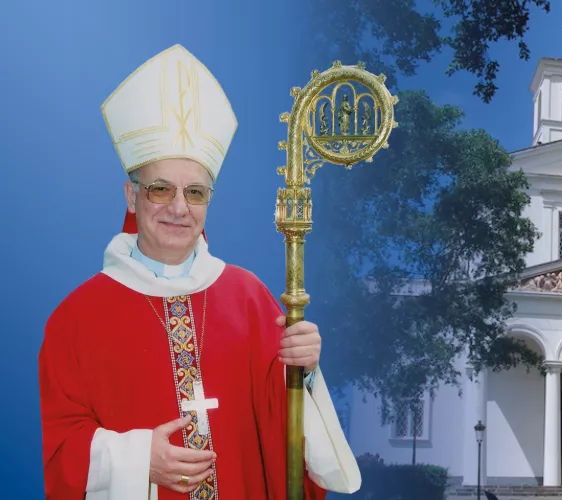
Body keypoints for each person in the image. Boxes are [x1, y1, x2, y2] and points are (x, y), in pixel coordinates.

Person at [37, 44, 360, 500]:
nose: (178, 208)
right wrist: (137, 458)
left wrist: (303, 372)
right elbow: (61, 451)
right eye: (160, 189)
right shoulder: (76, 318)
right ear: (132, 197)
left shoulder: (250, 299)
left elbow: (284, 432)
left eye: (195, 192)